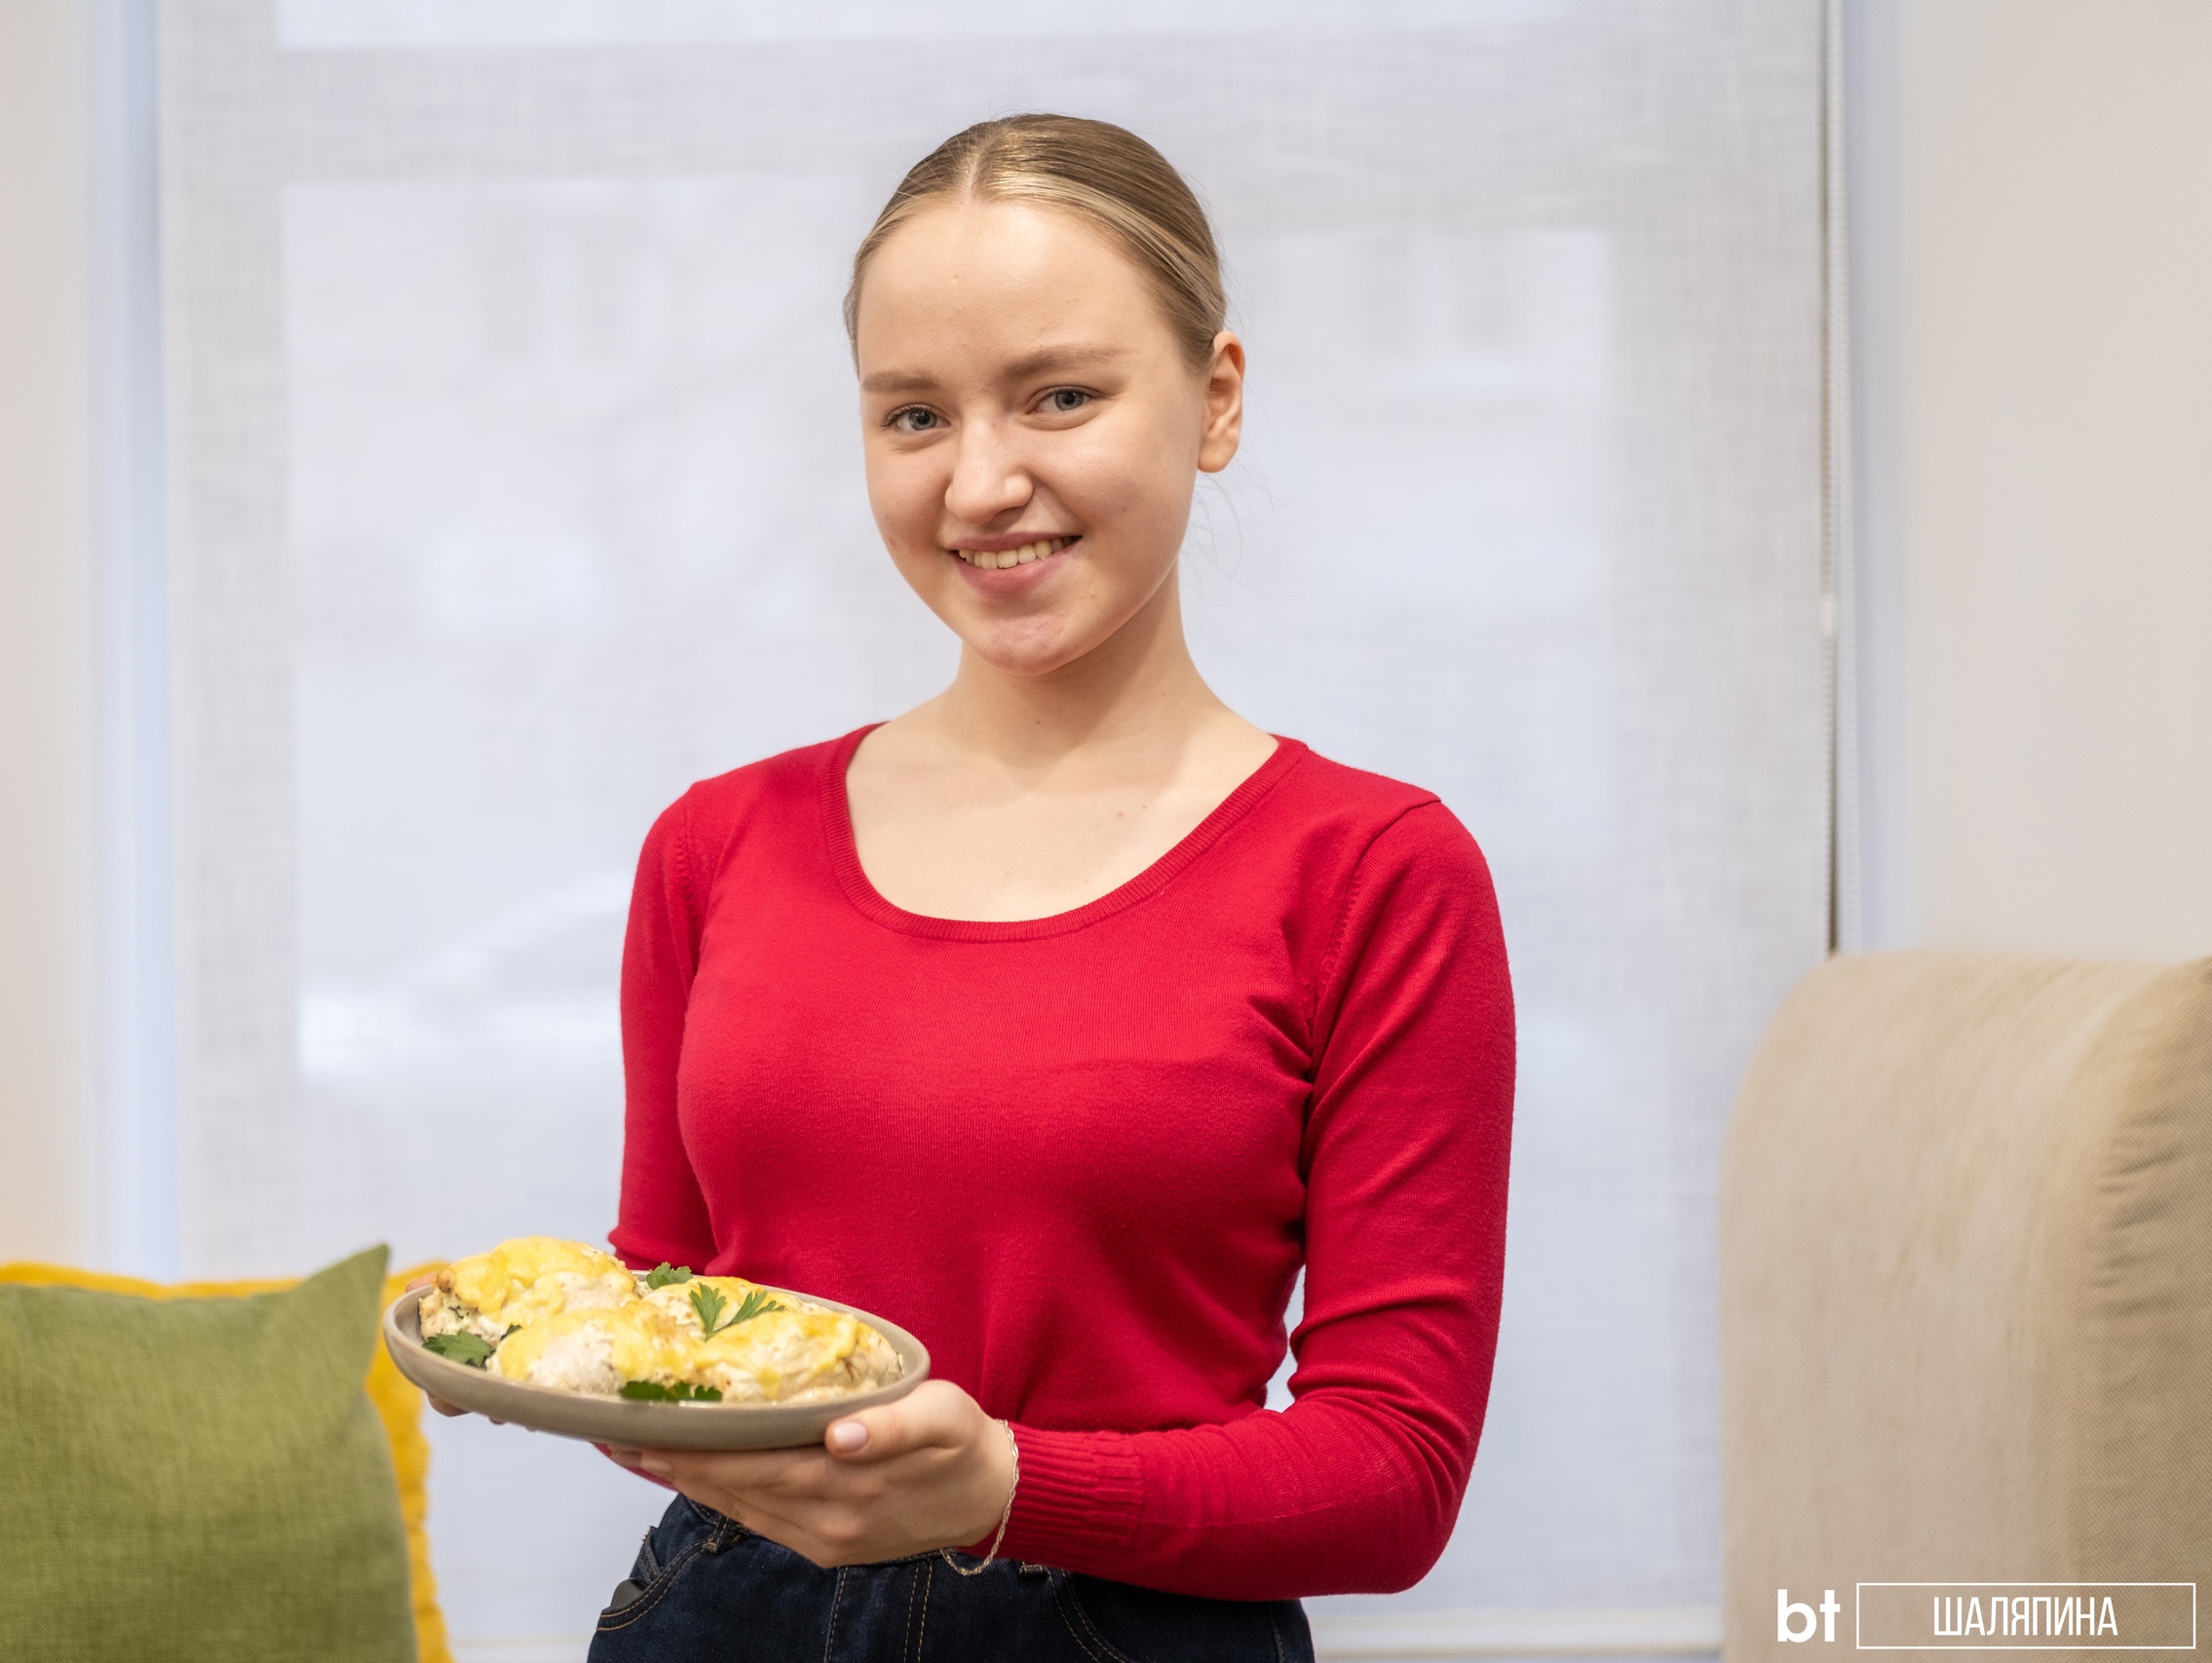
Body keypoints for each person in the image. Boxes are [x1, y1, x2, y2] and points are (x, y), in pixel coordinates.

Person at [569, 113, 1513, 1660]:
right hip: (714, 1614)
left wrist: (1003, 1488)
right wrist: (552, 1355)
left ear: (1215, 401)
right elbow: (663, 1322)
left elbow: (1394, 1474)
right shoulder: (716, 845)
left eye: (1060, 396)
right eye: (914, 415)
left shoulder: (1374, 872)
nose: (981, 482)